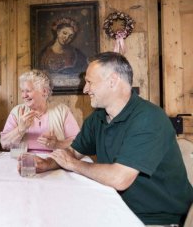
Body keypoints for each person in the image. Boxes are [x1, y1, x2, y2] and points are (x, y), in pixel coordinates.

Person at [33, 52, 193, 226]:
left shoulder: (149, 118)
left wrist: (73, 164)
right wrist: (47, 163)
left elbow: (119, 179)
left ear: (113, 80)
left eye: (89, 82)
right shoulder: (98, 118)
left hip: (156, 219)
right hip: (114, 207)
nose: (85, 89)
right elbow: (73, 151)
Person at [0, 70, 80, 152]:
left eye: (28, 91)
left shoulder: (62, 111)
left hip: (54, 160)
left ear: (44, 92)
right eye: (22, 91)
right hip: (22, 159)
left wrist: (57, 144)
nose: (24, 95)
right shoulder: (17, 111)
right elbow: (4, 143)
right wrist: (20, 129)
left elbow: (78, 142)